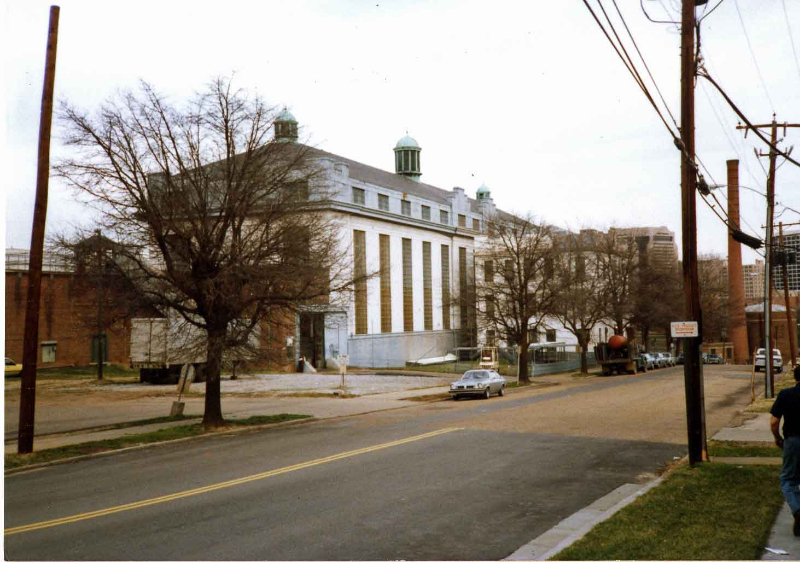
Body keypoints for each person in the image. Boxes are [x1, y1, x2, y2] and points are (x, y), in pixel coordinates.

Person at [770, 364, 800, 537]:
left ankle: (797, 510)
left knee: (788, 479)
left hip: (793, 440)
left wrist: (777, 438)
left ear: (795, 378)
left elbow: (774, 422)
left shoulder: (786, 394)